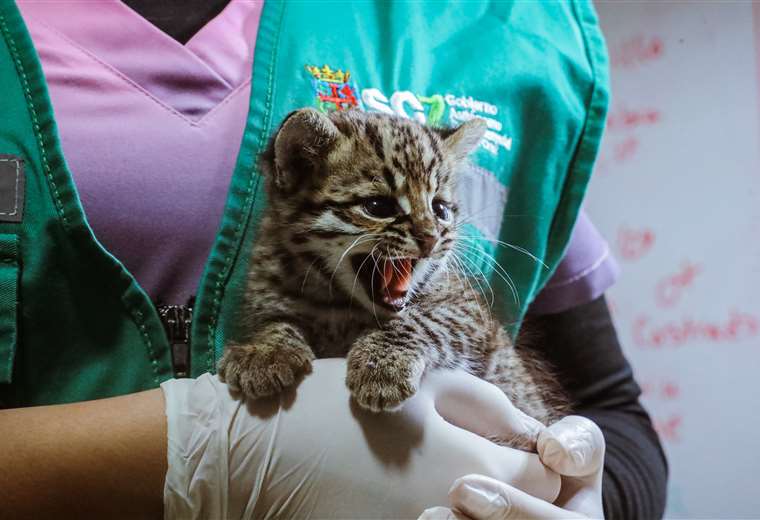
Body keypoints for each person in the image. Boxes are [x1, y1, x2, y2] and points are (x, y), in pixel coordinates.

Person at [0, 0, 667, 518]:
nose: (429, 238)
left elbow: (613, 410)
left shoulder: (504, 27)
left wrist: (590, 499)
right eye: (383, 209)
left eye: (438, 216)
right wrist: (204, 446)